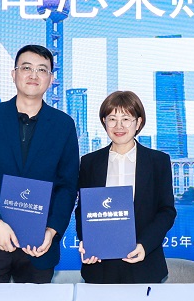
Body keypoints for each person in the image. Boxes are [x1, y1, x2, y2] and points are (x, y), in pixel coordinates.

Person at [0, 44, 80, 283]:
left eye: (42, 70)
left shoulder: (64, 125)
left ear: (51, 80)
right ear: (14, 74)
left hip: (38, 246)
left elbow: (68, 186)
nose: (34, 75)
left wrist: (52, 231)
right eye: (26, 68)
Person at [75, 91, 177, 284]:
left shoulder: (158, 161)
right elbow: (83, 210)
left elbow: (166, 211)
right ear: (104, 122)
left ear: (138, 123)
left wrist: (145, 245)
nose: (119, 126)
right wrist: (87, 241)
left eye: (126, 119)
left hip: (144, 264)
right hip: (99, 266)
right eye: (112, 119)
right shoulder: (89, 163)